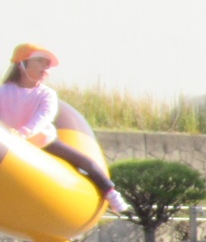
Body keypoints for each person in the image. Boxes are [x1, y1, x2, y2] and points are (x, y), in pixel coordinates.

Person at [0, 44, 127, 213]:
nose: (46, 67)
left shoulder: (46, 94)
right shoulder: (3, 92)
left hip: (42, 142)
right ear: (22, 64)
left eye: (48, 64)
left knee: (85, 162)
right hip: (13, 147)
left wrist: (25, 132)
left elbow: (44, 117)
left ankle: (110, 192)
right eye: (40, 61)